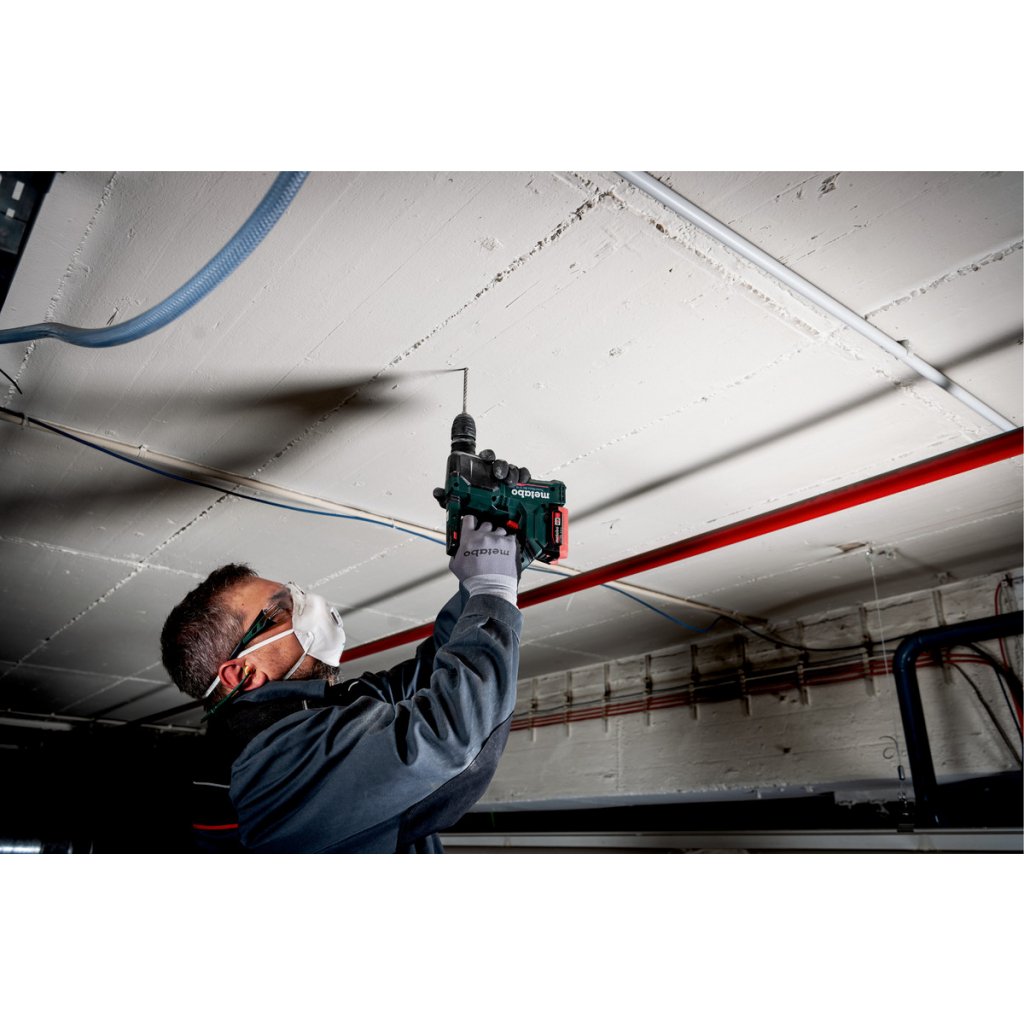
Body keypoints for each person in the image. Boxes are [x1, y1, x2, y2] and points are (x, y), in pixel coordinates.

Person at [159, 513, 525, 853]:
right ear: (242, 674)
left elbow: (430, 673)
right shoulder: (266, 765)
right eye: (281, 609)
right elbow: (451, 742)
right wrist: (491, 586)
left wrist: (494, 567)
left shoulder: (308, 712)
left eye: (292, 594)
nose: (307, 605)